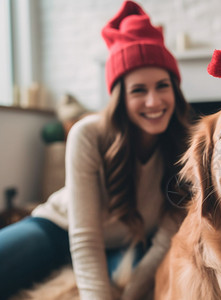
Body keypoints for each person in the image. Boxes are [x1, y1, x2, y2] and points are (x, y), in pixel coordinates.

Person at [0, 1, 191, 299]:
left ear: (175, 91)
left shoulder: (187, 145)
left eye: (162, 86)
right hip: (58, 229)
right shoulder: (87, 134)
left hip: (126, 247)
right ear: (120, 97)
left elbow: (166, 240)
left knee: (130, 284)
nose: (154, 101)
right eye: (138, 90)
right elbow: (84, 237)